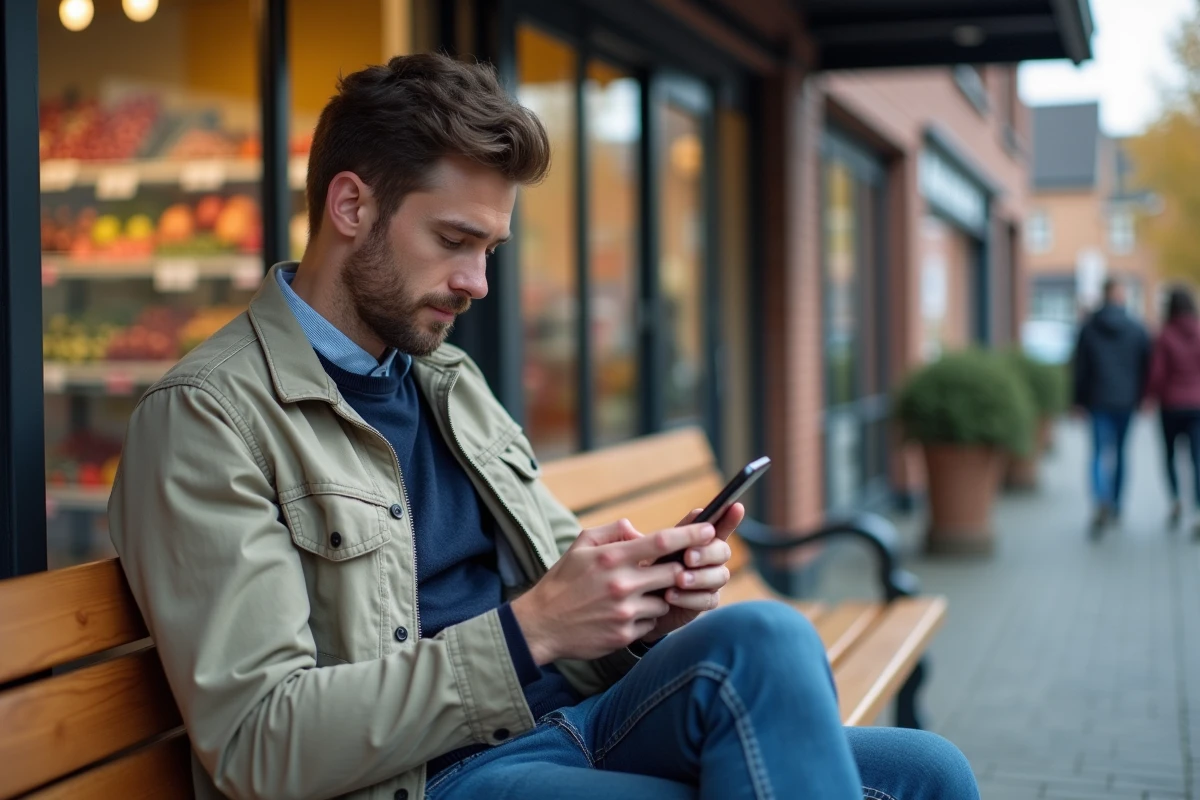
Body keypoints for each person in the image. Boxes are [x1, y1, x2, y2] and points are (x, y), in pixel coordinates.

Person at [108, 54, 978, 800]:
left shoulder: (448, 380)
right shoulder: (207, 418)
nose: (477, 282)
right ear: (350, 206)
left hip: (559, 723)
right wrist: (533, 631)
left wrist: (642, 607)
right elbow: (260, 741)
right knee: (805, 694)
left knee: (910, 757)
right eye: (455, 239)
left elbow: (561, 606)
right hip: (429, 779)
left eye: (490, 249)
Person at [1072, 278, 1151, 533]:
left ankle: (1100, 499)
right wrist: (1143, 397)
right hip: (1126, 400)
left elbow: (1079, 367)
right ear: (1121, 296)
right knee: (1121, 454)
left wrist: (1077, 400)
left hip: (1097, 399)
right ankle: (1116, 505)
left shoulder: (1089, 327)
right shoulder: (1137, 327)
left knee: (1097, 453)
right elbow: (1146, 367)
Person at [1146, 287, 1200, 537]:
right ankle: (1197, 510)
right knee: (1196, 459)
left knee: (1170, 456)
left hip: (1170, 406)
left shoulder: (1164, 335)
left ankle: (1176, 500)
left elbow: (1157, 374)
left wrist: (1150, 396)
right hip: (1197, 406)